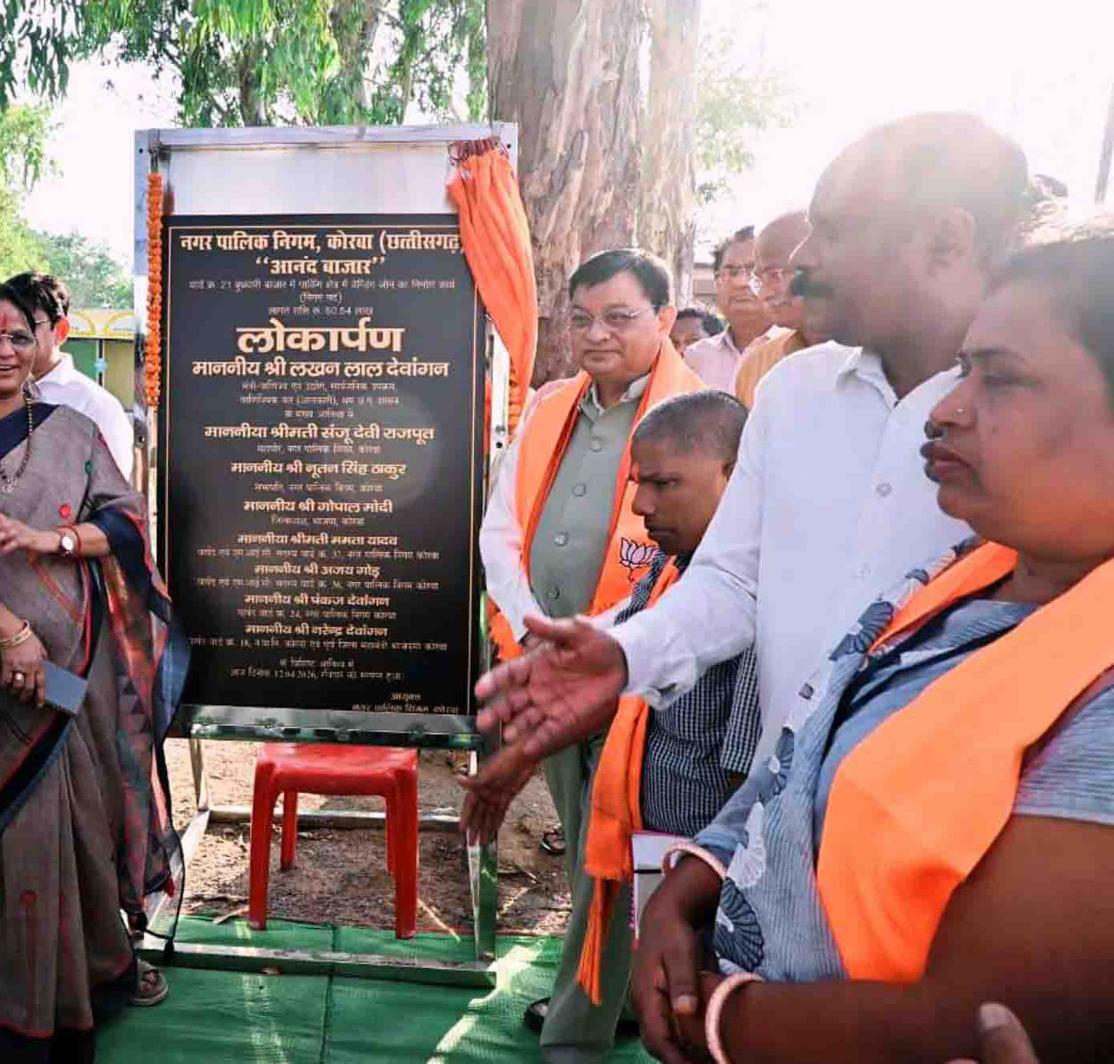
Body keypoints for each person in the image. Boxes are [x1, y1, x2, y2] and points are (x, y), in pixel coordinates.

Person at [630, 230, 1114, 1064]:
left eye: (1000, 379)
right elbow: (801, 754)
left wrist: (714, 1021)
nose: (947, 408)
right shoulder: (960, 574)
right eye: (962, 370)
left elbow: (991, 1019)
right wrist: (687, 888)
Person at [468, 113, 1039, 788]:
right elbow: (734, 579)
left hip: (963, 831)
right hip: (781, 806)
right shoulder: (795, 391)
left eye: (833, 230)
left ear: (946, 240)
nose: (800, 262)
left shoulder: (1048, 424)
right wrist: (625, 651)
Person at [0, 281, 186, 1061]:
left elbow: (129, 524)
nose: (4, 350)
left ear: (42, 339)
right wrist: (8, 635)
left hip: (81, 661)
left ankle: (98, 972)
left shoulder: (73, 430)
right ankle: (16, 1013)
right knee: (15, 828)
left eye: (18, 335)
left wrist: (55, 543)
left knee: (83, 819)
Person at [466, 389, 760, 1047]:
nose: (640, 506)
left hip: (711, 880)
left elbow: (748, 788)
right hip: (657, 852)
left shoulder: (761, 606)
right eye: (636, 482)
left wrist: (687, 896)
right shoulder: (669, 565)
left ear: (738, 480)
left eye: (664, 483)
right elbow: (621, 650)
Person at [479, 248, 704, 1061]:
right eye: (581, 317)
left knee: (612, 851)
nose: (596, 334)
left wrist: (606, 645)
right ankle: (608, 1002)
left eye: (619, 316)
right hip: (546, 661)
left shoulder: (700, 414)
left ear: (665, 320)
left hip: (640, 668)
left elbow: (699, 563)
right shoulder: (549, 406)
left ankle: (579, 1030)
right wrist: (533, 629)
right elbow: (501, 527)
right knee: (585, 842)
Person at [9, 272, 135, 481]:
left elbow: (110, 497)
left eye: (26, 325)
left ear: (60, 330)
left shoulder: (95, 406)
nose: (10, 338)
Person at [733, 211, 819, 407]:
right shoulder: (756, 366)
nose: (764, 294)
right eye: (760, 280)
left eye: (774, 275)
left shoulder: (878, 357)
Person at [684, 227, 771, 392]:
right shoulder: (696, 357)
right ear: (717, 281)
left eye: (753, 271)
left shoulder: (797, 349)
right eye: (731, 272)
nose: (741, 282)